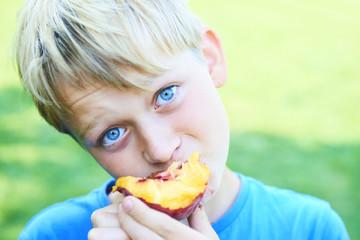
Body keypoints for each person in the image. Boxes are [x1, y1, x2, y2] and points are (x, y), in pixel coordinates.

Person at [15, 0, 349, 239]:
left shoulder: (309, 229)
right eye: (113, 133)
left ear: (210, 58)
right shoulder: (51, 234)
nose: (160, 151)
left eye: (166, 94)